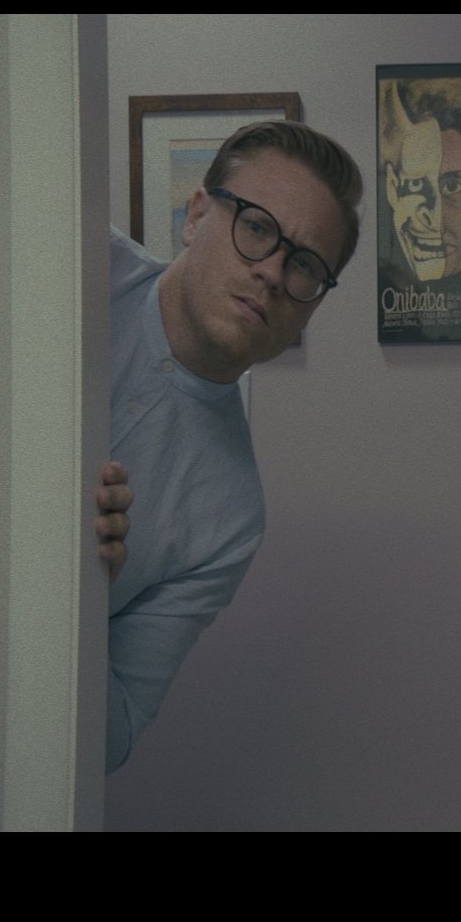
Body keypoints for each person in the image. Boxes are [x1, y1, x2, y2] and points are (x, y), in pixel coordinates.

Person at [99, 120, 362, 772]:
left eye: (305, 265)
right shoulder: (75, 263)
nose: (272, 272)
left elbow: (113, 736)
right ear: (196, 216)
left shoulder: (230, 518)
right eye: (257, 227)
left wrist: (77, 594)